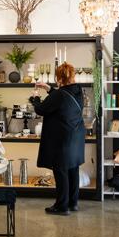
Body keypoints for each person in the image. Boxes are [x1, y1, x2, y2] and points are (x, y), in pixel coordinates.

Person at [29, 62, 85, 215]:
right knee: (73, 168)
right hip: (76, 136)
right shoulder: (78, 91)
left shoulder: (60, 95)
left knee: (60, 170)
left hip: (63, 138)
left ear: (59, 79)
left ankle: (61, 206)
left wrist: (35, 99)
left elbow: (41, 109)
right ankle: (73, 203)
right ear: (72, 76)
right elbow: (62, 98)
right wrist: (49, 89)